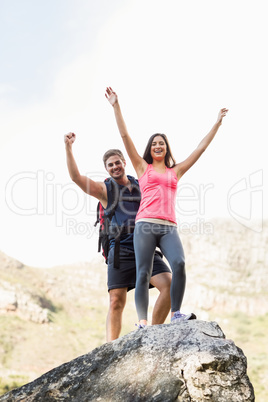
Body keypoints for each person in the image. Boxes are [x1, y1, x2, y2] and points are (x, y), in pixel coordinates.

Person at [105, 86, 228, 328]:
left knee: (179, 264)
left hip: (168, 226)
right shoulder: (142, 168)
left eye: (161, 143)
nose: (158, 146)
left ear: (166, 147)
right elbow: (125, 137)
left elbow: (200, 148)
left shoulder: (176, 171)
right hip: (145, 225)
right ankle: (142, 321)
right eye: (154, 144)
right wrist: (116, 105)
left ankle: (176, 313)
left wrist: (217, 124)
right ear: (150, 149)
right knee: (143, 272)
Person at [64, 133, 172, 341]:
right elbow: (76, 178)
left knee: (169, 285)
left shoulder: (141, 184)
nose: (114, 167)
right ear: (106, 169)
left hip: (145, 248)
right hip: (119, 251)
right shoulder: (105, 190)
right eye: (110, 165)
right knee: (116, 301)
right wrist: (68, 148)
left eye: (117, 163)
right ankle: (109, 350)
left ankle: (152, 336)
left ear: (124, 163)